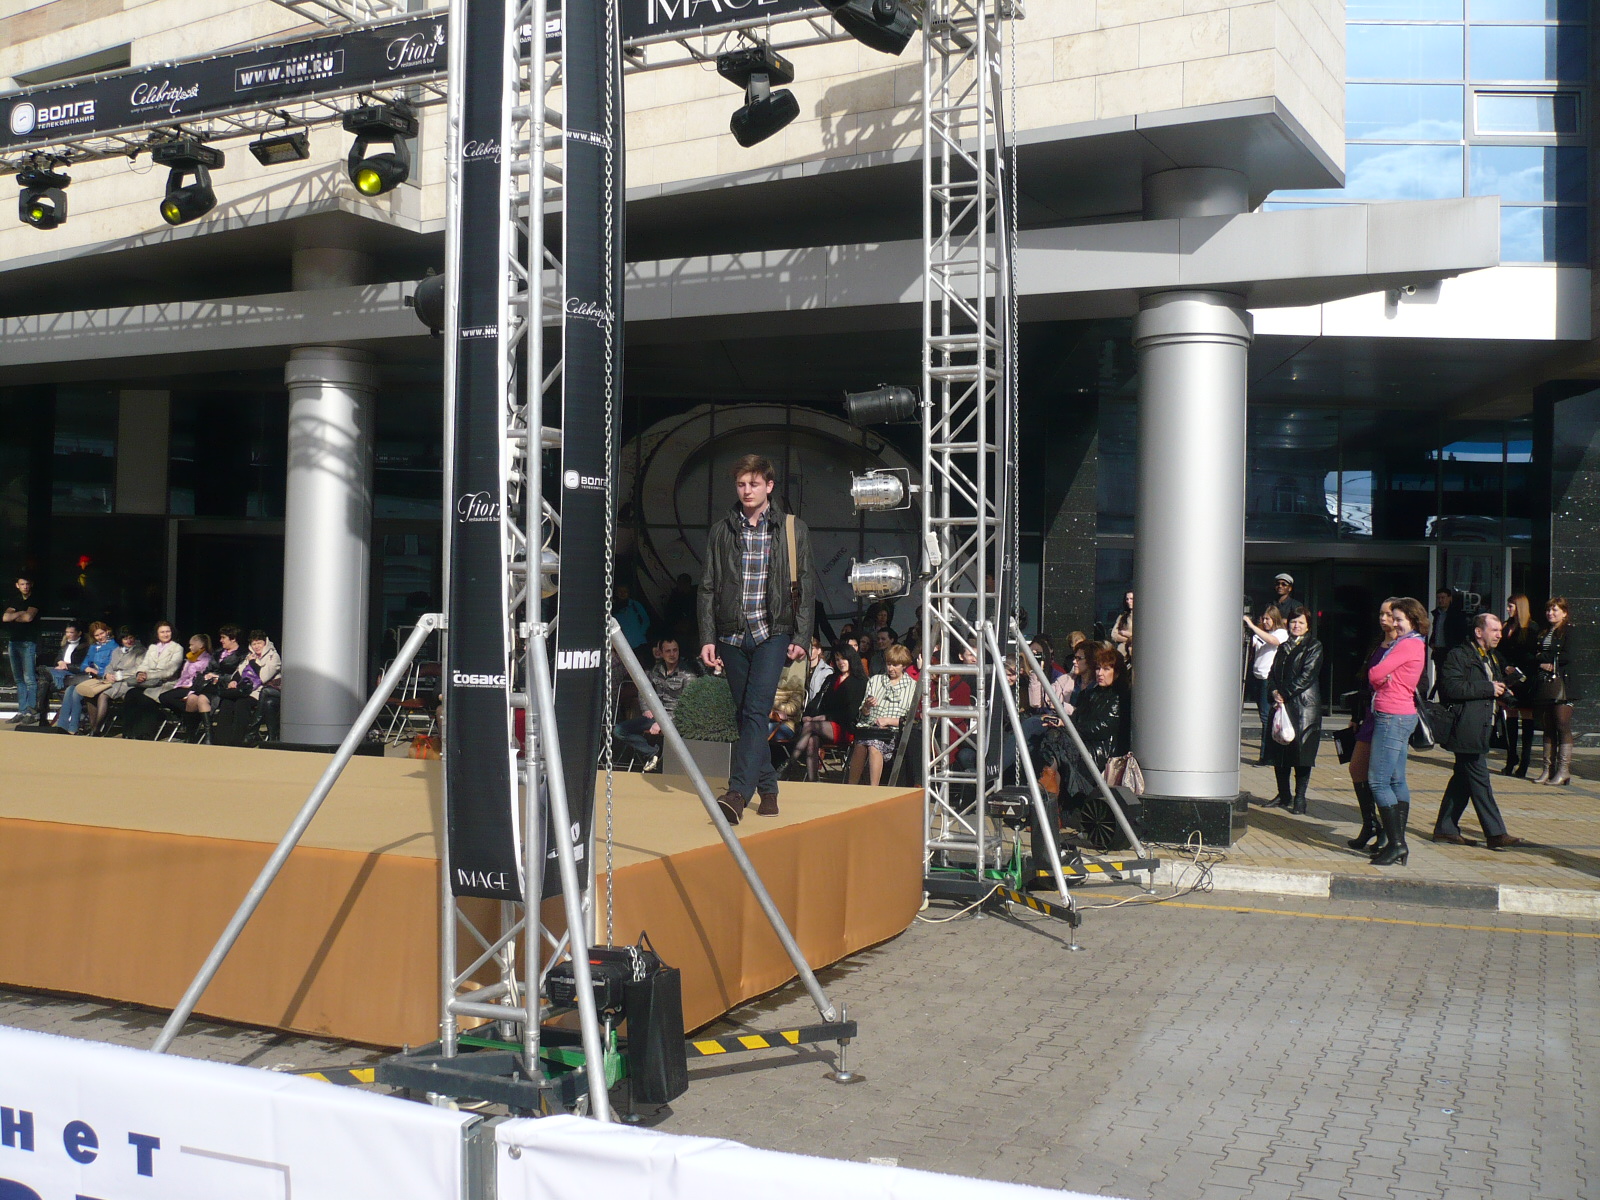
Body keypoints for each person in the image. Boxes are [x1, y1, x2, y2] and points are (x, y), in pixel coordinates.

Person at [699, 453, 816, 823]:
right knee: (745, 714)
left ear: (769, 486)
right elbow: (708, 586)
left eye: (754, 483)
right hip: (731, 634)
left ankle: (737, 794)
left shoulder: (793, 529)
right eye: (741, 484)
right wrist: (707, 637)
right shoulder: (722, 530)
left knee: (754, 711)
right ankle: (768, 787)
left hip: (772, 632)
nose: (747, 490)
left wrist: (802, 634)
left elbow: (806, 586)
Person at [1432, 613, 1526, 850]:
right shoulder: (1458, 655)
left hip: (1483, 725)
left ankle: (1445, 829)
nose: (1499, 635)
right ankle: (1496, 833)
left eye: (1500, 631)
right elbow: (1451, 687)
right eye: (1494, 630)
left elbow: (1494, 686)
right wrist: (1488, 688)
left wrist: (1507, 695)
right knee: (1480, 779)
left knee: (1462, 780)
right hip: (1465, 726)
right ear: (1478, 632)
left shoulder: (1490, 656)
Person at [1366, 596, 1430, 866]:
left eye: (1399, 619)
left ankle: (1396, 843)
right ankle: (1396, 842)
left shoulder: (1408, 644)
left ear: (1413, 620)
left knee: (1378, 781)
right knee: (1395, 780)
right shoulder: (1413, 643)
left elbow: (1374, 674)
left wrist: (1384, 679)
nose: (1394, 624)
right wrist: (1384, 678)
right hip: (1400, 714)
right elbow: (1380, 675)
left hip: (1392, 715)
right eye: (1394, 619)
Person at [1344, 601, 1397, 854]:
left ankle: (1387, 831)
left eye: (1389, 614)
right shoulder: (1377, 643)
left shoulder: (1404, 645)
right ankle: (1370, 823)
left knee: (1382, 777)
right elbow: (1364, 681)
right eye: (1381, 613)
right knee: (1356, 768)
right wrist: (1356, 715)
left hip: (1391, 715)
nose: (1383, 618)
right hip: (1370, 714)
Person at [1265, 610, 1323, 814]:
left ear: (1308, 625)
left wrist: (1284, 692)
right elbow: (1272, 674)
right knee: (1280, 751)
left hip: (1303, 706)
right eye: (1293, 622)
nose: (1296, 626)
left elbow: (1307, 675)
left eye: (1301, 622)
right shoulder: (1283, 647)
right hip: (1282, 706)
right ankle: (1283, 794)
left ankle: (1300, 797)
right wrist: (1274, 691)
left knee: (1301, 754)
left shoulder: (1313, 646)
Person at [613, 636, 696, 768]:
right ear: (661, 653)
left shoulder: (687, 674)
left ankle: (661, 759)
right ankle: (652, 753)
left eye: (675, 650)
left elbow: (688, 707)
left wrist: (663, 723)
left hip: (676, 719)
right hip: (656, 717)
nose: (672, 654)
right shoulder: (656, 670)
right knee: (619, 730)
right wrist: (646, 708)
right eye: (668, 651)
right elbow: (644, 690)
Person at [792, 645, 865, 781]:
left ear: (851, 659)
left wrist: (825, 717)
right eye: (837, 659)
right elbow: (818, 699)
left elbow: (851, 712)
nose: (840, 662)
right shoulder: (831, 678)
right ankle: (813, 780)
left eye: (843, 659)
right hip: (825, 725)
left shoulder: (859, 681)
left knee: (810, 726)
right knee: (812, 740)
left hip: (845, 726)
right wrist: (807, 715)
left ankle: (791, 762)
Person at [848, 643, 916, 785]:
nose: (890, 668)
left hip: (894, 732)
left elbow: (912, 719)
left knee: (874, 744)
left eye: (895, 665)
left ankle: (874, 789)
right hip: (870, 728)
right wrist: (867, 706)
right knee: (860, 744)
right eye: (888, 664)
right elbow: (863, 715)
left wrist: (889, 721)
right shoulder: (875, 680)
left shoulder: (912, 686)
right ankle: (851, 787)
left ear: (904, 665)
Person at [1533, 597, 1578, 786]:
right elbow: (1534, 654)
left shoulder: (1569, 631)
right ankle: (1547, 769)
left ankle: (1563, 770)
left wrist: (1548, 660)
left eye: (1555, 610)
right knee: (1548, 725)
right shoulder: (1544, 631)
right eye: (1548, 610)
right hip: (1546, 684)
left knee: (1561, 723)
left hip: (1563, 684)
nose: (1550, 613)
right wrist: (1542, 660)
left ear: (1564, 613)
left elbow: (1569, 656)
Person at [213, 631, 281, 746]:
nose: (256, 646)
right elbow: (239, 671)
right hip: (244, 689)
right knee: (227, 702)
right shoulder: (250, 656)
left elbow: (263, 677)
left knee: (242, 703)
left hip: (261, 691)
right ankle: (221, 740)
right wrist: (234, 681)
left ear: (265, 643)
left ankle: (238, 740)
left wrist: (252, 662)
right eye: (254, 644)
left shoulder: (273, 656)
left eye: (259, 643)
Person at [119, 623, 185, 739]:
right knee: (131, 694)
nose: (165, 634)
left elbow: (169, 671)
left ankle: (145, 734)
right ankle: (128, 732)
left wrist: (147, 675)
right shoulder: (152, 648)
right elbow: (144, 664)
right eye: (162, 632)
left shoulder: (177, 648)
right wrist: (140, 673)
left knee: (146, 699)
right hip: (148, 683)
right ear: (157, 634)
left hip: (165, 684)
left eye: (168, 631)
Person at [185, 625, 249, 742]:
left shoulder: (243, 654)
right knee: (191, 699)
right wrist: (207, 676)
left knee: (202, 699)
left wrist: (218, 677)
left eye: (223, 638)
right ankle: (190, 735)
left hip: (225, 688)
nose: (221, 640)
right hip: (210, 685)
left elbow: (239, 675)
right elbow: (208, 669)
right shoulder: (218, 652)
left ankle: (209, 735)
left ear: (233, 639)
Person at [1498, 593, 1539, 777]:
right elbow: (1498, 651)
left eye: (1511, 606)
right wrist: (1505, 666)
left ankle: (1525, 760)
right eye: (1508, 606)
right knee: (1510, 714)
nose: (1508, 609)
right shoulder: (1506, 626)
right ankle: (1511, 756)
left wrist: (1518, 668)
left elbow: (1531, 654)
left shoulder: (1531, 628)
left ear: (1519, 607)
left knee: (1527, 716)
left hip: (1525, 678)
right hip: (1509, 676)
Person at [78, 627, 145, 736]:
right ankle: (93, 726)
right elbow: (110, 666)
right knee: (90, 694)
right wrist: (107, 674)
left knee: (103, 695)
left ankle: (96, 729)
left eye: (131, 638)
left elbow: (138, 669)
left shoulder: (140, 651)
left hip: (128, 682)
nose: (129, 641)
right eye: (125, 639)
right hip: (112, 682)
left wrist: (119, 675)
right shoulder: (117, 651)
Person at [1244, 606, 1288, 766]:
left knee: (1266, 717)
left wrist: (1252, 626)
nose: (1265, 622)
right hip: (1257, 677)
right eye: (1263, 619)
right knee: (1264, 715)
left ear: (1275, 619)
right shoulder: (1261, 632)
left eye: (1268, 619)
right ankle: (1268, 754)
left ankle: (1267, 756)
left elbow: (1273, 641)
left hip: (1267, 679)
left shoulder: (1280, 633)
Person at [56, 622, 114, 734]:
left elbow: (111, 666)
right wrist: (87, 667)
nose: (100, 637)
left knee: (76, 692)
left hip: (105, 679)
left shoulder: (113, 647)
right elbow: (84, 664)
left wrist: (98, 672)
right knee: (69, 690)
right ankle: (62, 726)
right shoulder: (93, 647)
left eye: (101, 634)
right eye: (97, 635)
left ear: (107, 632)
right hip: (91, 677)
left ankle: (73, 727)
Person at [4, 576, 41, 724]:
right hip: (14, 641)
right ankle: (21, 710)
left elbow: (28, 618)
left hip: (28, 642)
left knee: (29, 679)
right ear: (17, 585)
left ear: (31, 584)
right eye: (22, 584)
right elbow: (5, 617)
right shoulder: (15, 600)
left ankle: (32, 712)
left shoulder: (35, 599)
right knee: (19, 679)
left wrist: (16, 615)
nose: (25, 586)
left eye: (27, 584)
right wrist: (21, 613)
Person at [38, 623, 88, 725]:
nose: (68, 634)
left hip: (73, 675)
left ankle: (39, 711)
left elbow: (83, 666)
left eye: (71, 632)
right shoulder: (65, 645)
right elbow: (58, 659)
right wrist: (60, 662)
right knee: (44, 681)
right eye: (67, 632)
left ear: (79, 633)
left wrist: (67, 666)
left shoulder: (85, 647)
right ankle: (41, 715)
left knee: (44, 679)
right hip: (60, 673)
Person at [1429, 588, 1469, 694]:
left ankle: (1447, 699)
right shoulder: (1437, 614)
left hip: (1451, 651)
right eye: (1438, 598)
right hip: (1439, 651)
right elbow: (1436, 630)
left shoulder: (1456, 614)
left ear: (1449, 598)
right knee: (1439, 678)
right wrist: (1432, 642)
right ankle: (1441, 698)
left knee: (1449, 678)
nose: (1440, 600)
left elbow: (1462, 633)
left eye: (1443, 598)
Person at [614, 583, 652, 662]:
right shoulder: (613, 609)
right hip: (625, 646)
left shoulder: (635, 604)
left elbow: (646, 620)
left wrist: (641, 633)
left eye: (625, 592)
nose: (622, 594)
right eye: (620, 592)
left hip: (640, 643)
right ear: (616, 593)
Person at [1110, 591, 1134, 662]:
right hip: (1122, 653)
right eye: (1127, 599)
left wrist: (1127, 634)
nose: (1128, 601)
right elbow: (1114, 635)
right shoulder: (1122, 616)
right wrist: (1129, 639)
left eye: (1131, 599)